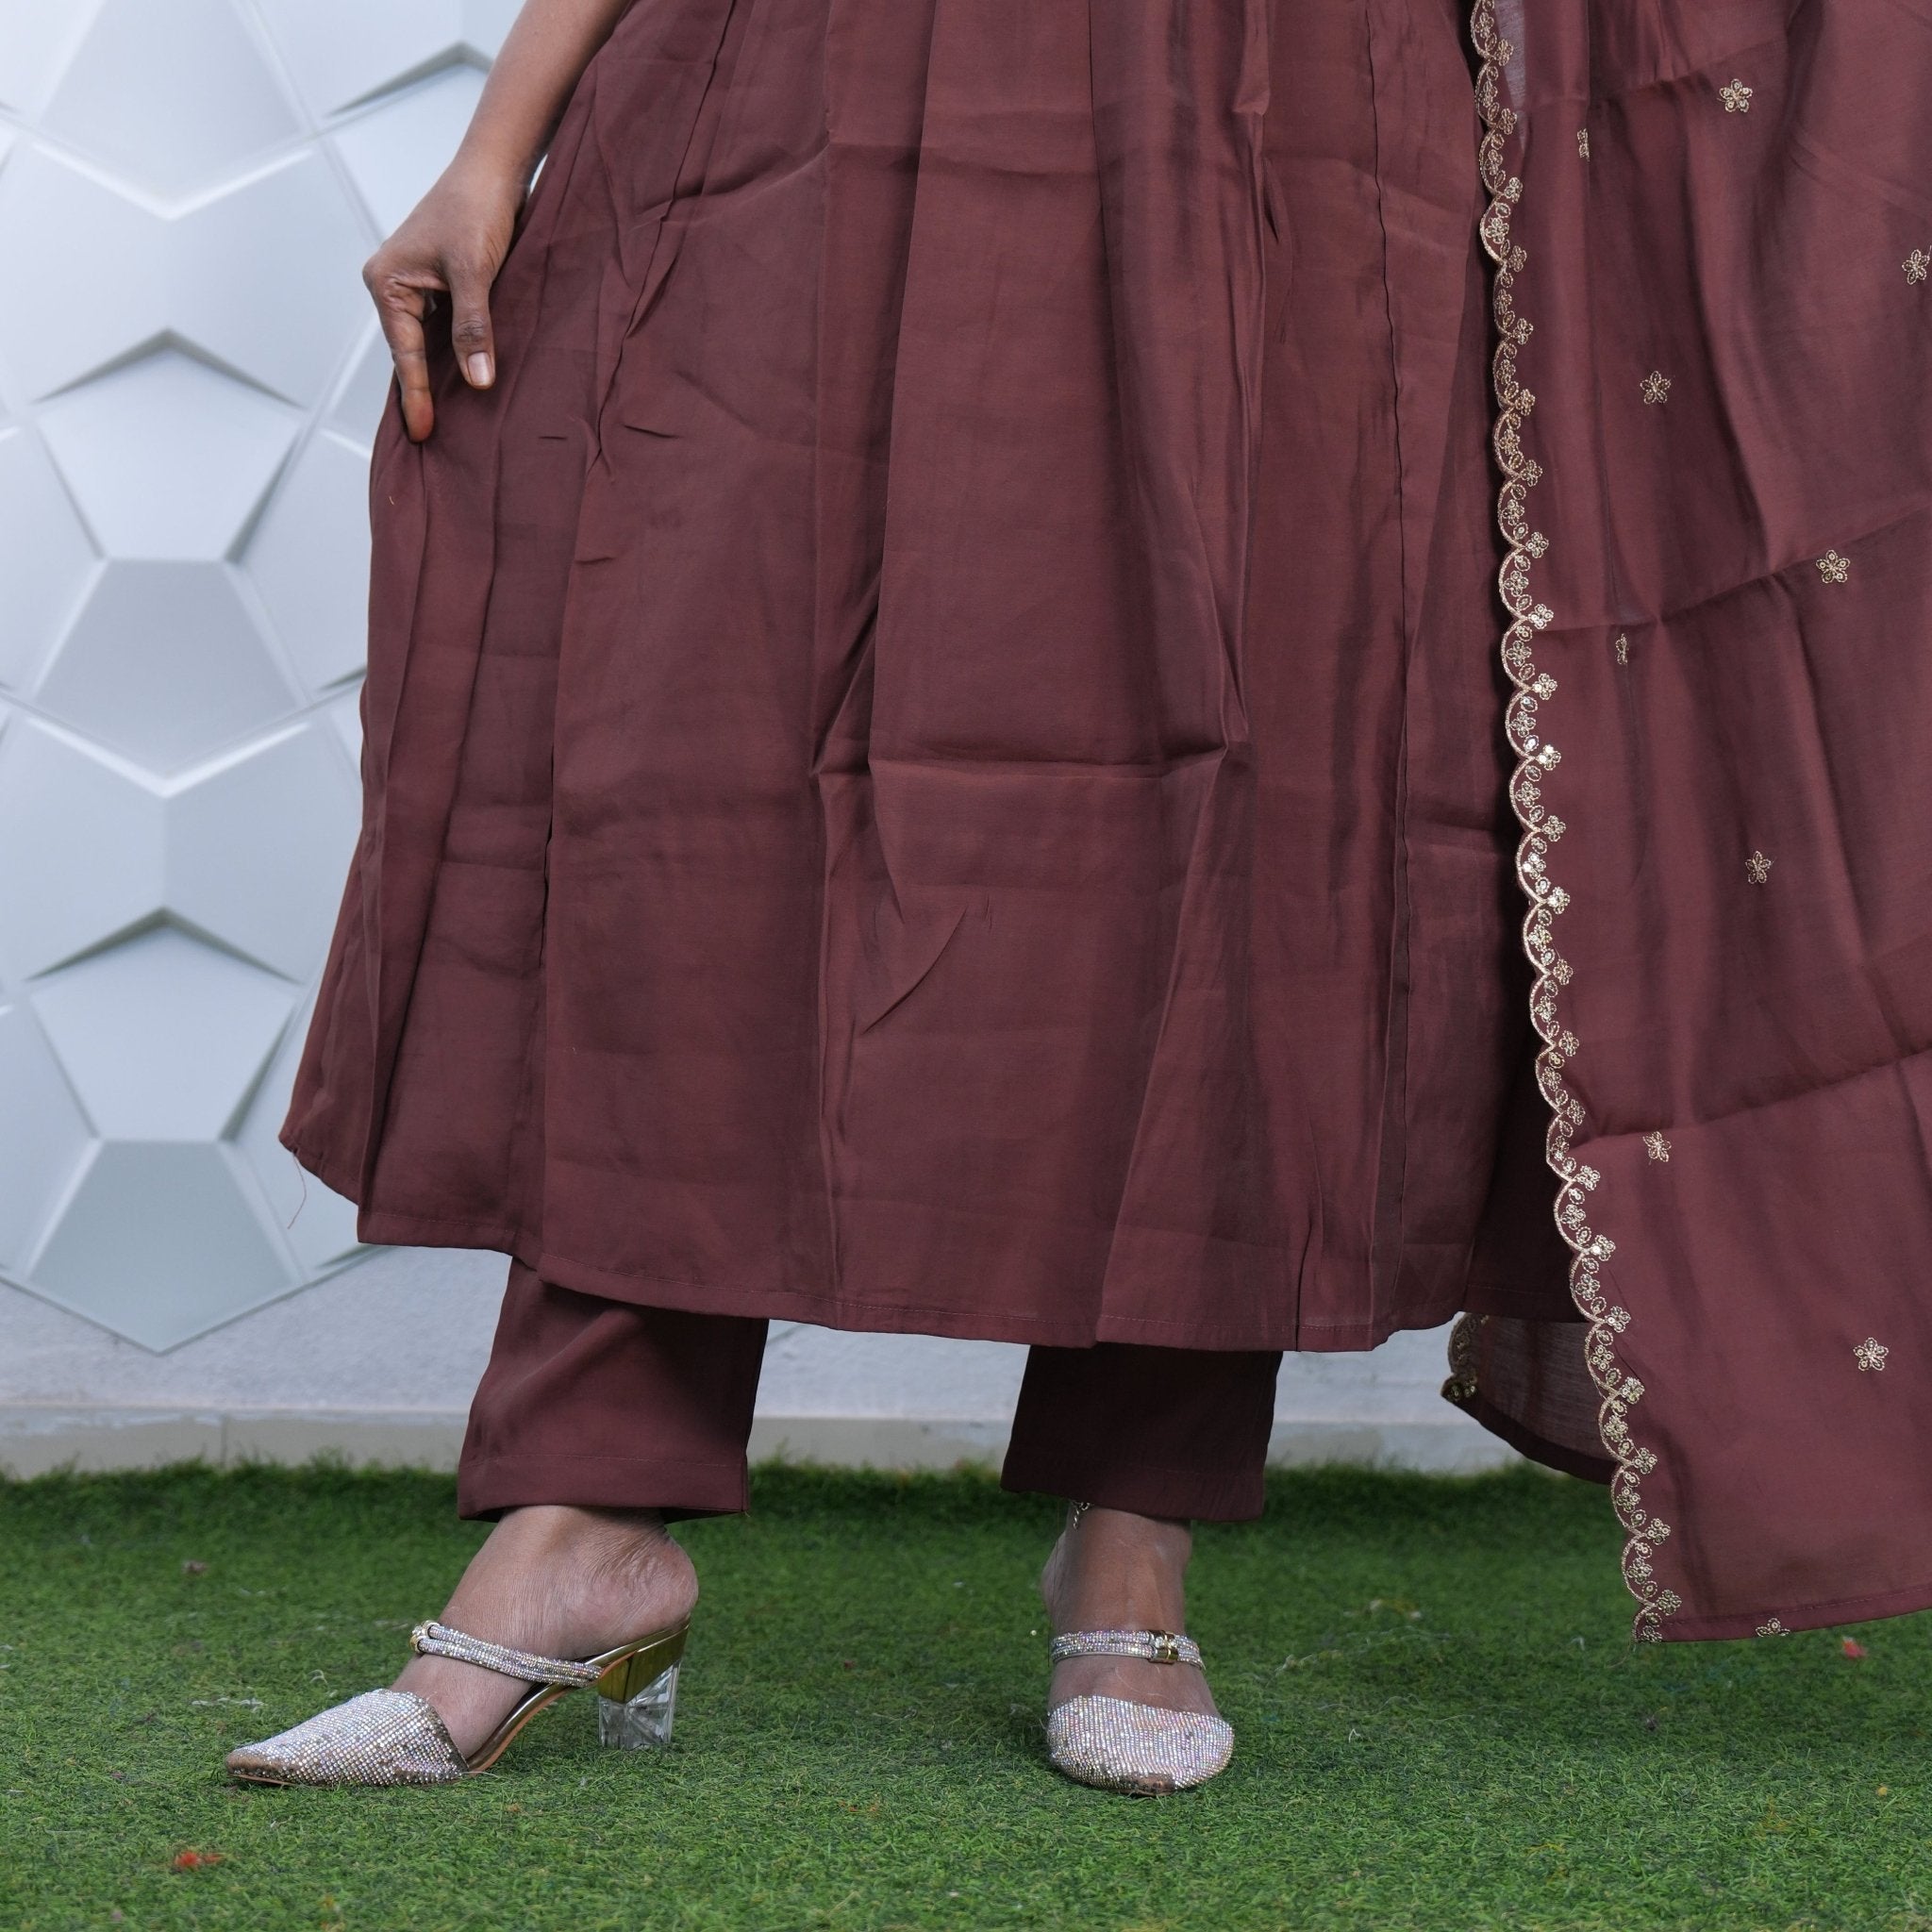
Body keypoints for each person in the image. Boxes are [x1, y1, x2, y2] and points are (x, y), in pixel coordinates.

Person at [229, 0, 1932, 1791]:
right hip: (816, 78)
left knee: (1263, 796)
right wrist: (498, 140)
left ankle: (1137, 1540)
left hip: (1288, 98)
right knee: (694, 764)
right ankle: (581, 1520)